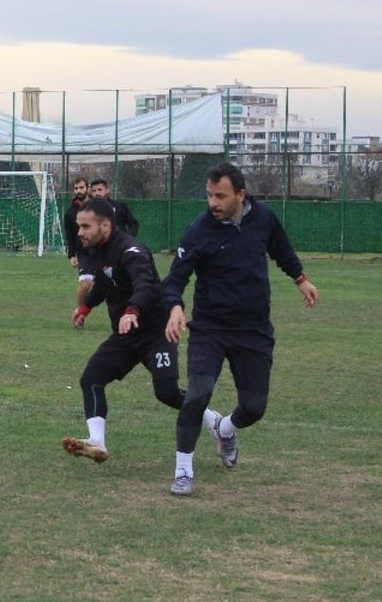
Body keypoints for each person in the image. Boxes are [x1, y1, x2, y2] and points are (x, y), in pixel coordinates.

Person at [162, 163, 318, 496]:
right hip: (210, 328)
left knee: (254, 407)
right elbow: (175, 277)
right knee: (197, 394)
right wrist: (175, 306)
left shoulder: (263, 218)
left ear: (241, 195)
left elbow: (281, 250)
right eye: (209, 195)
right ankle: (183, 471)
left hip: (253, 329)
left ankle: (224, 429)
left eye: (220, 196)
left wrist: (301, 279)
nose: (213, 203)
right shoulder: (199, 231)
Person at [63, 199, 220, 464]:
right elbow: (104, 283)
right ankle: (97, 442)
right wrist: (86, 307)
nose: (79, 232)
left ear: (105, 225)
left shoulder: (132, 250)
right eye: (79, 226)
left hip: (155, 333)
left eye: (85, 226)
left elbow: (146, 284)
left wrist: (132, 310)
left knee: (167, 392)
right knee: (91, 379)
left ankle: (212, 420)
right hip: (125, 335)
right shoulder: (97, 249)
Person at [63, 177, 91, 305]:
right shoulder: (70, 212)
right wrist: (72, 255)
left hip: (102, 251)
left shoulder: (99, 206)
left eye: (81, 187)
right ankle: (80, 313)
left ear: (87, 188)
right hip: (83, 253)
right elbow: (70, 235)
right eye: (76, 188)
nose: (78, 191)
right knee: (85, 285)